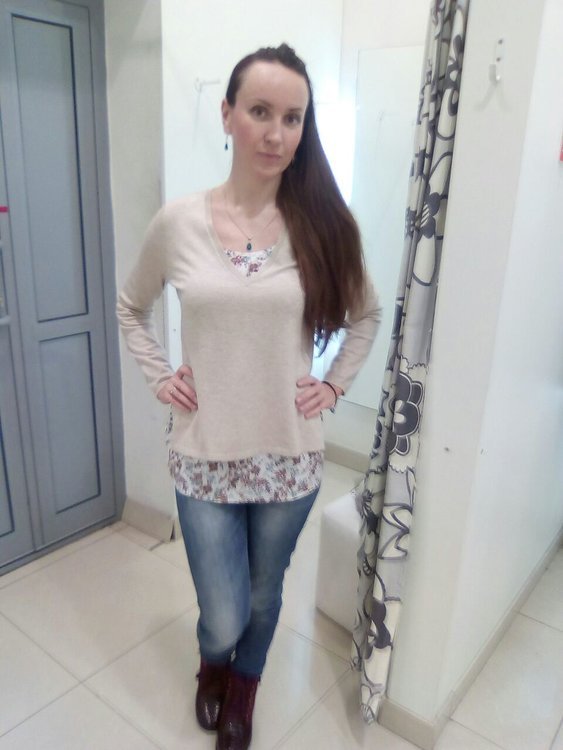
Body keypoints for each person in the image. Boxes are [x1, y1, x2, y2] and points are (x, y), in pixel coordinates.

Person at [117, 43, 381, 750]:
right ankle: (214, 658)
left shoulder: (323, 225)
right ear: (227, 114)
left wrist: (333, 384)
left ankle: (244, 685)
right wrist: (159, 374)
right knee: (225, 609)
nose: (276, 133)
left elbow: (366, 315)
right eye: (260, 111)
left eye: (293, 118)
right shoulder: (178, 223)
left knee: (265, 593)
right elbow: (130, 305)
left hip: (288, 456)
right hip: (203, 452)